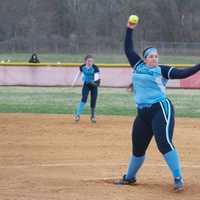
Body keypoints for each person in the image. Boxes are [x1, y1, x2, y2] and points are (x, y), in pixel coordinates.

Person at [118, 17, 200, 191]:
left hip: (160, 109)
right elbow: (128, 49)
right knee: (138, 147)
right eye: (151, 56)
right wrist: (129, 29)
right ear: (145, 58)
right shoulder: (137, 65)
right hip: (142, 114)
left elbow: (184, 73)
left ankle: (178, 178)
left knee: (164, 143)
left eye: (156, 56)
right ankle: (130, 177)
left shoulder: (162, 70)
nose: (154, 59)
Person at [72, 55, 100, 123]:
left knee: (93, 100)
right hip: (86, 85)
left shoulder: (95, 68)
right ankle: (77, 115)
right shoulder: (82, 67)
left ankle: (93, 116)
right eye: (88, 61)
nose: (90, 62)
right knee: (84, 98)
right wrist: (74, 81)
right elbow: (79, 73)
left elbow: (97, 82)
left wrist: (93, 82)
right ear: (85, 61)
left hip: (94, 86)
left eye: (91, 61)